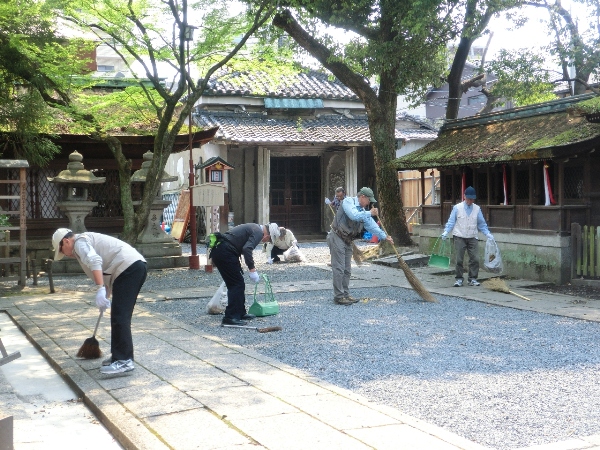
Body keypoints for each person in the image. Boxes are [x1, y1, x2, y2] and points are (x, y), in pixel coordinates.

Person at [52, 228, 147, 375]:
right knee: (118, 315)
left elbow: (95, 261)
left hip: (129, 269)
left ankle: (124, 361)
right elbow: (105, 270)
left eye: (62, 250)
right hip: (129, 269)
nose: (64, 254)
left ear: (66, 241)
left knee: (120, 316)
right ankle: (118, 357)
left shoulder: (79, 243)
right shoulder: (82, 243)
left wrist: (99, 289)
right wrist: (105, 295)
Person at [327, 187, 393, 305]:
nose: (369, 203)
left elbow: (371, 225)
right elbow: (354, 215)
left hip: (348, 240)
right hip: (337, 236)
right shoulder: (349, 202)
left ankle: (345, 294)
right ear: (362, 197)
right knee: (339, 268)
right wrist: (370, 212)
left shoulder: (363, 210)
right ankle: (338, 296)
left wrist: (384, 237)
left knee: (347, 269)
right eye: (368, 200)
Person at [210, 223, 279, 325]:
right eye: (268, 240)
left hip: (222, 251)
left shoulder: (253, 227)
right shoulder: (258, 232)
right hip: (225, 252)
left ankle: (240, 312)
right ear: (267, 236)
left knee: (237, 283)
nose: (265, 241)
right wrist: (252, 269)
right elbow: (247, 249)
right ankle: (231, 317)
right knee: (236, 284)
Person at [441, 186, 494, 287]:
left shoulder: (477, 209)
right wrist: (446, 232)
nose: (470, 201)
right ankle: (459, 278)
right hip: (459, 236)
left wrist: (487, 233)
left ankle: (472, 278)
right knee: (459, 259)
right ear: (464, 196)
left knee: (475, 259)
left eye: (472, 199)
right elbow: (451, 222)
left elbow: (481, 224)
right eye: (469, 198)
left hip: (472, 236)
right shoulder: (457, 208)